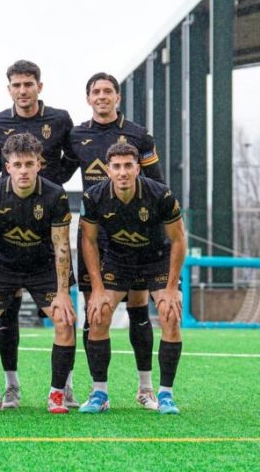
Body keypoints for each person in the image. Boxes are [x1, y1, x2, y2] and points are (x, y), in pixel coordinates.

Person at [65, 72, 166, 411]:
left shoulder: (138, 134)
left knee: (139, 309)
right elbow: (56, 172)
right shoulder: (77, 135)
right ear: (88, 98)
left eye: (108, 91)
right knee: (94, 310)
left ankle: (145, 388)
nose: (102, 96)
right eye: (96, 91)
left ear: (117, 97)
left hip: (133, 237)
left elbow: (158, 184)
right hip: (95, 234)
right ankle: (97, 391)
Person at [0, 60, 78, 408]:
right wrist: (3, 192)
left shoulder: (60, 119)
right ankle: (10, 386)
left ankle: (64, 386)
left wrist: (51, 183)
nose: (23, 90)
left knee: (63, 315)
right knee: (5, 317)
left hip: (47, 216)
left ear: (40, 86)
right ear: (8, 88)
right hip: (11, 224)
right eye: (16, 85)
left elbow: (74, 157)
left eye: (28, 84)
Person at [0, 133, 77, 414]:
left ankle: (57, 394)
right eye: (17, 165)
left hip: (42, 267)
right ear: (7, 167)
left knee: (64, 320)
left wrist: (63, 293)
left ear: (39, 164)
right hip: (5, 267)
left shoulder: (55, 195)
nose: (23, 171)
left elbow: (61, 245)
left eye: (29, 164)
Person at [79, 141, 185, 415]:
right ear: (108, 170)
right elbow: (88, 241)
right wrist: (97, 288)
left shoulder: (160, 195)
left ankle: (165, 395)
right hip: (119, 259)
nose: (123, 172)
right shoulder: (94, 197)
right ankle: (100, 393)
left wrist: (171, 288)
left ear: (138, 168)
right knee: (98, 314)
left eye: (128, 166)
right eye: (116, 166)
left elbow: (178, 239)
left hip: (156, 258)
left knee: (170, 314)